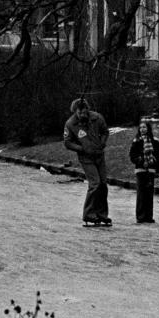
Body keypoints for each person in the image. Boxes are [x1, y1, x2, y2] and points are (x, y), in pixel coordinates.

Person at [63, 96, 111, 227]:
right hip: (86, 158)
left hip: (99, 155)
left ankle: (102, 214)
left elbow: (105, 132)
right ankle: (88, 213)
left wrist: (102, 143)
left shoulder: (97, 118)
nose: (82, 114)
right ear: (75, 111)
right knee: (95, 184)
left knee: (103, 184)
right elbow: (67, 142)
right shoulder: (70, 124)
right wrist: (81, 148)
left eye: (84, 111)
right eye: (79, 112)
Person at [129, 118, 159, 224]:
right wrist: (140, 160)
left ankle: (149, 216)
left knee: (149, 193)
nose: (142, 129)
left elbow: (158, 156)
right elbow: (132, 156)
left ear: (148, 128)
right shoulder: (137, 141)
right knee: (141, 193)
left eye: (144, 127)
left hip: (151, 169)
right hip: (141, 169)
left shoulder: (155, 141)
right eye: (140, 128)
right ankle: (140, 216)